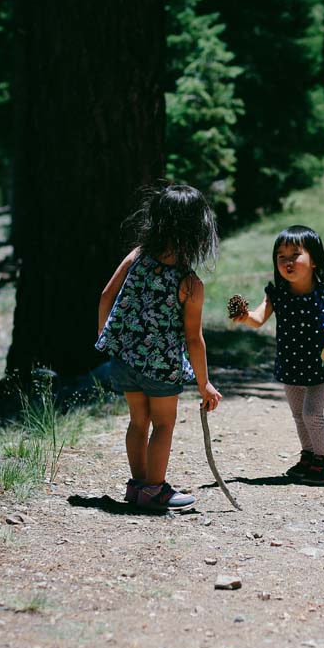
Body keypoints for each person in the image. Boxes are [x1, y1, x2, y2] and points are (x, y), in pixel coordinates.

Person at [96, 184, 223, 510]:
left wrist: (108, 339)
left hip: (125, 360)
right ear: (197, 231)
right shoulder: (190, 283)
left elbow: (106, 296)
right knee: (163, 424)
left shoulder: (137, 256)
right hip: (161, 367)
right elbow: (194, 339)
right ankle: (155, 488)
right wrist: (203, 383)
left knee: (138, 422)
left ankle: (138, 487)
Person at [231, 225, 324, 484]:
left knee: (312, 414)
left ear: (313, 260)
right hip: (290, 365)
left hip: (320, 365)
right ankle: (309, 456)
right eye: (281, 256)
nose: (287, 261)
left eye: (295, 255)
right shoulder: (277, 294)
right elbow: (258, 319)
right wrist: (245, 317)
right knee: (298, 415)